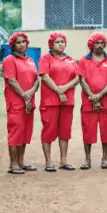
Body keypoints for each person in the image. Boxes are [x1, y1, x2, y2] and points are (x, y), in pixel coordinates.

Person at [38, 32, 81, 172]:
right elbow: (45, 76)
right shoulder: (46, 58)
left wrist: (65, 88)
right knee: (48, 130)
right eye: (57, 42)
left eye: (62, 41)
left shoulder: (70, 60)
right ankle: (49, 161)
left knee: (65, 131)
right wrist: (58, 91)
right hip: (50, 101)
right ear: (51, 44)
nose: (60, 44)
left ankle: (63, 160)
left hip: (67, 101)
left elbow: (77, 78)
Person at [2, 32, 40, 175]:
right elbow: (11, 80)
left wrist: (30, 94)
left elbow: (37, 79)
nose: (22, 44)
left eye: (24, 41)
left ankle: (21, 161)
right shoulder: (9, 60)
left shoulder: (30, 60)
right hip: (16, 103)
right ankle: (13, 164)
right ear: (13, 45)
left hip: (29, 103)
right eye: (18, 42)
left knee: (25, 133)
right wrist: (25, 96)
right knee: (15, 133)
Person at [78, 32, 107, 170]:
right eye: (96, 43)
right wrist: (93, 98)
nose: (99, 46)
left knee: (105, 131)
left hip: (105, 102)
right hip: (88, 102)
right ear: (91, 45)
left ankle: (104, 159)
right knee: (88, 131)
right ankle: (87, 159)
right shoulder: (83, 60)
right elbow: (82, 80)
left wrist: (99, 96)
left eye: (101, 43)